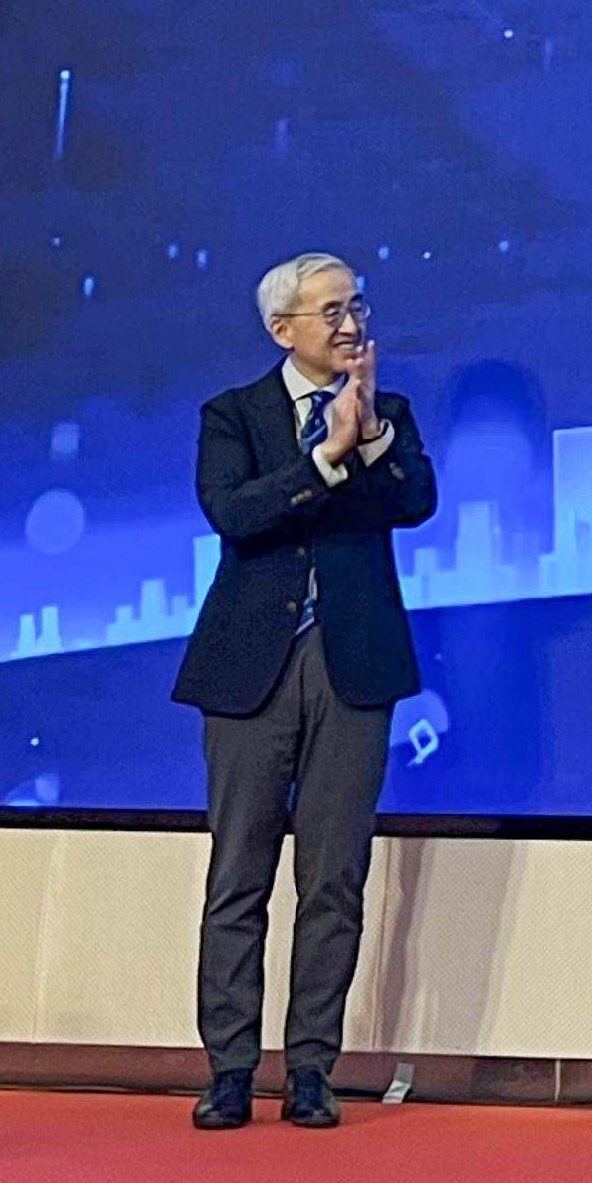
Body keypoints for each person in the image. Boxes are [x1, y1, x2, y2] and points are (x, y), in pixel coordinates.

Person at [174, 255, 438, 1132]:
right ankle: (230, 1068)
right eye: (329, 309)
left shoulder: (387, 414)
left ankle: (314, 1067)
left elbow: (418, 502)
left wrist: (364, 439)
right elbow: (235, 514)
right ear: (283, 328)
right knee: (238, 873)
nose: (349, 322)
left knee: (334, 878)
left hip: (353, 664)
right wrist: (322, 461)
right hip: (251, 667)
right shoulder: (234, 415)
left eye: (356, 305)